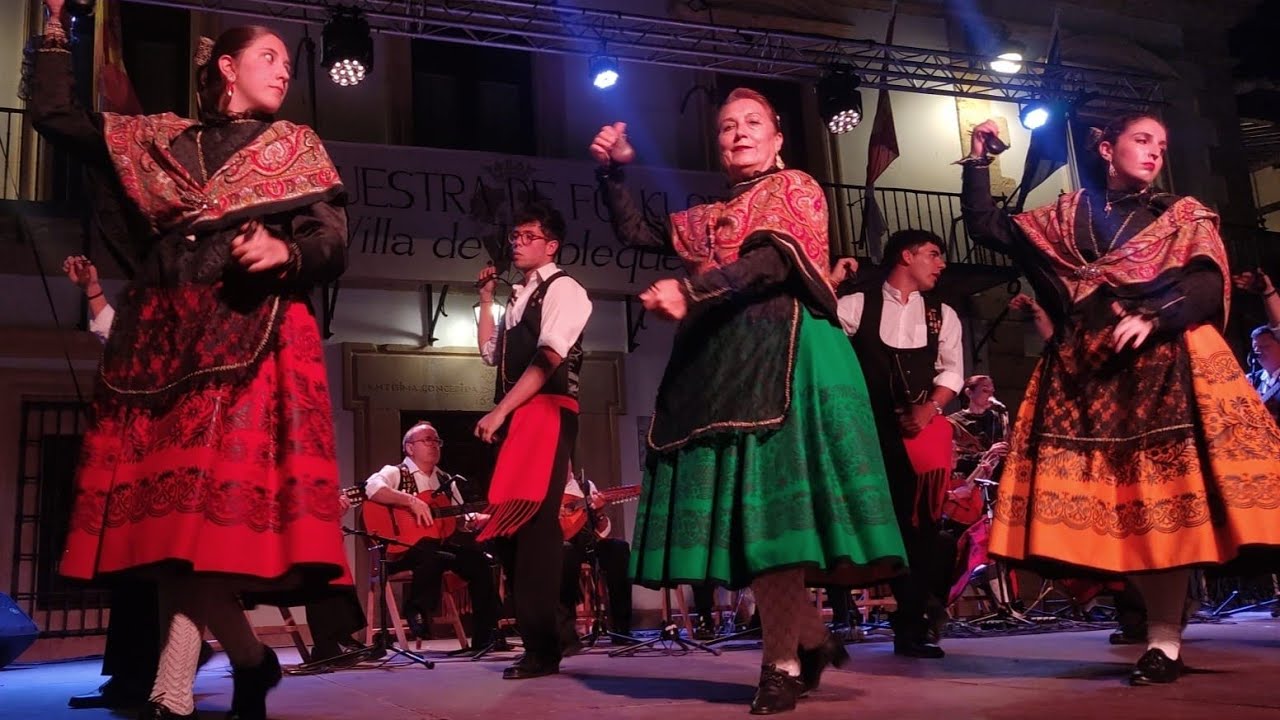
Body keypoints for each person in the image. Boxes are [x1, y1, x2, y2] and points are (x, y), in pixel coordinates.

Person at [29, 6, 352, 718]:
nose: (284, 67)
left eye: (288, 61)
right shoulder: (158, 142)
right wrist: (56, 26)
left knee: (196, 535)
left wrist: (286, 252)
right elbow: (54, 117)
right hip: (163, 347)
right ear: (228, 69)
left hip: (247, 338)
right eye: (269, 55)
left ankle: (171, 694)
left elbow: (329, 237)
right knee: (171, 534)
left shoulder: (293, 146)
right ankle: (252, 661)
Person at [591, 88, 906, 714]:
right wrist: (613, 169)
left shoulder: (796, 189)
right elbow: (635, 231)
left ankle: (783, 664)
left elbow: (769, 263)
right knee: (748, 522)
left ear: (778, 136)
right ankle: (810, 639)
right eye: (728, 126)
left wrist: (695, 290)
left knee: (776, 519)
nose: (739, 133)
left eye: (752, 123)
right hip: (722, 367)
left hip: (787, 358)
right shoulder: (710, 215)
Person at [962, 113, 1280, 684]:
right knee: (1122, 508)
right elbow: (986, 226)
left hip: (1169, 365)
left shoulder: (1180, 215)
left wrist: (1155, 314)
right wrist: (980, 158)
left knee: (1170, 504)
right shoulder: (1064, 217)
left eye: (1162, 143)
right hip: (1092, 374)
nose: (1155, 152)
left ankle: (1163, 642)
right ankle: (1146, 624)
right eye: (1142, 140)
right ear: (1107, 149)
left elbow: (1208, 283)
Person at [474, 200, 593, 680]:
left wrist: (501, 409)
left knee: (536, 526)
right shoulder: (518, 297)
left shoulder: (566, 290)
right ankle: (552, 635)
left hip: (545, 412)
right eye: (515, 237)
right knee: (510, 529)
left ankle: (544, 646)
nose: (516, 244)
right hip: (518, 417)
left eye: (527, 236)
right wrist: (485, 301)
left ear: (552, 244)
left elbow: (547, 360)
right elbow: (489, 355)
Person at [833, 229, 965, 659]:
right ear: (905, 256)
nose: (940, 263)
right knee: (858, 523)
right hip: (863, 434)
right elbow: (824, 351)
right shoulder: (854, 306)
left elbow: (951, 372)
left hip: (917, 434)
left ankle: (912, 625)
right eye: (933, 254)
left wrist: (930, 408)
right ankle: (838, 617)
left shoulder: (941, 314)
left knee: (921, 531)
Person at [362, 421, 499, 650]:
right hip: (399, 550)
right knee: (431, 550)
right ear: (409, 448)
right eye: (427, 440)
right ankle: (416, 608)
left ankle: (486, 637)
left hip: (436, 551)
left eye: (437, 441)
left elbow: (457, 520)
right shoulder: (396, 472)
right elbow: (371, 488)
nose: (434, 445)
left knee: (480, 563)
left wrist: (472, 522)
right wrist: (411, 501)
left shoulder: (446, 480)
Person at [558, 468, 635, 651]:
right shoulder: (546, 486)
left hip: (589, 544)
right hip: (562, 545)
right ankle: (566, 634)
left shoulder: (585, 486)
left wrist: (599, 511)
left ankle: (622, 628)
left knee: (619, 549)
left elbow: (601, 533)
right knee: (565, 552)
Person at [1232, 268, 1280, 425]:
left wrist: (1268, 292)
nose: (1259, 351)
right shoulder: (1250, 381)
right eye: (1256, 347)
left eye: (1265, 345)